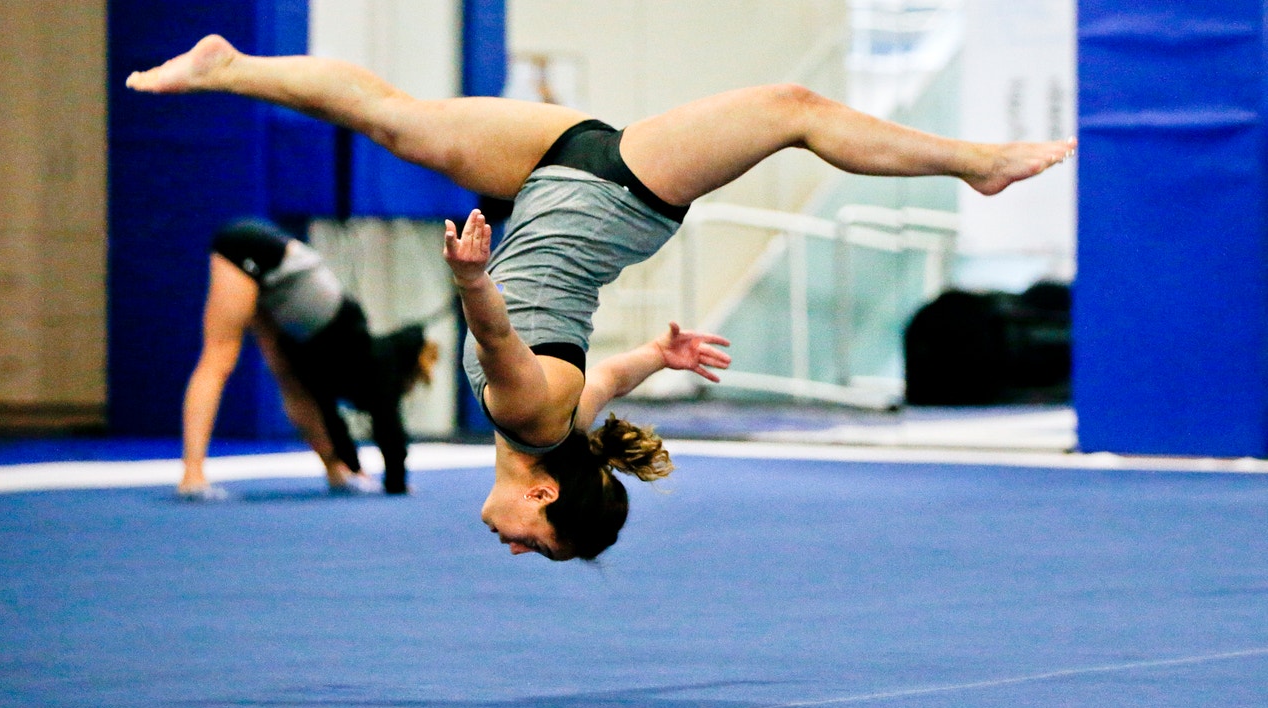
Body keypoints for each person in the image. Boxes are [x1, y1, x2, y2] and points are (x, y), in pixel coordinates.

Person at [127, 35, 1076, 554]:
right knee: (794, 111)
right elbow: (498, 342)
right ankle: (976, 165)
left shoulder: (565, 425)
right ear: (542, 495)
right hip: (610, 191)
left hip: (554, 183)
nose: (513, 548)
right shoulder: (527, 412)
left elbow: (607, 372)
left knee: (397, 122)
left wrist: (659, 357)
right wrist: (468, 283)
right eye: (533, 543)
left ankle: (232, 68)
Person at [180, 217, 437, 500]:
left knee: (293, 383)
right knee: (219, 358)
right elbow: (389, 430)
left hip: (282, 293)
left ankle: (338, 471)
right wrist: (396, 485)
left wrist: (354, 465)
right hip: (256, 251)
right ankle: (192, 476)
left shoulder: (349, 360)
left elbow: (326, 408)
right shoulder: (374, 369)